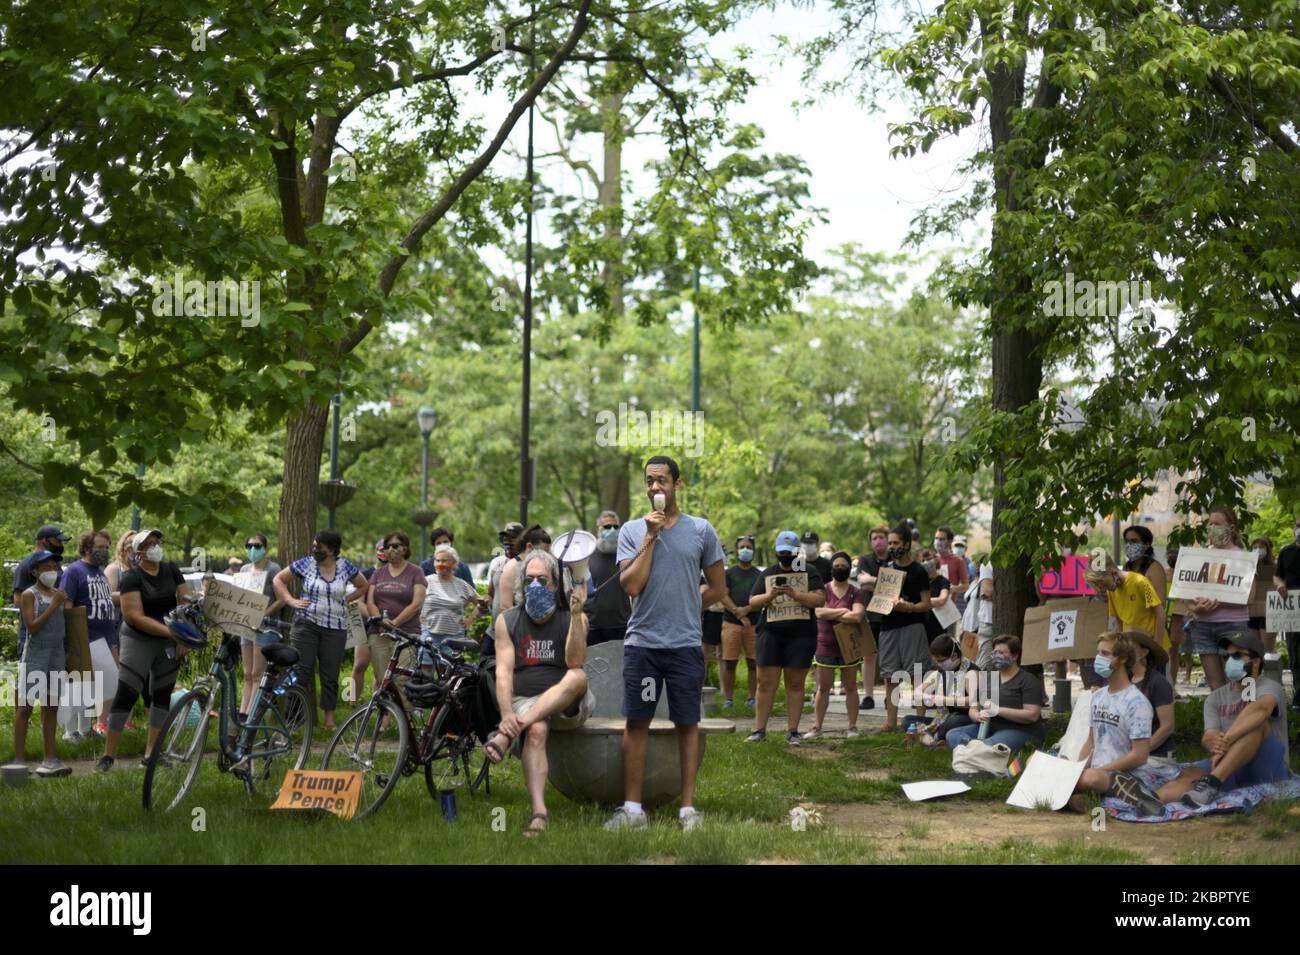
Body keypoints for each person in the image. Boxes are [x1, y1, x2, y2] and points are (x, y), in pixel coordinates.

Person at [604, 456, 725, 831]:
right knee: (637, 722)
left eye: (662, 481)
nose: (655, 488)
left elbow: (719, 588)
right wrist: (650, 538)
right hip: (643, 645)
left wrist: (688, 602)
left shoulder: (701, 530)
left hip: (686, 645)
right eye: (649, 482)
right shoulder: (631, 531)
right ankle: (633, 809)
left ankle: (688, 810)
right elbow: (632, 585)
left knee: (687, 723)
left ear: (677, 484)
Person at [484, 550, 594, 834]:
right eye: (530, 579)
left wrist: (577, 616)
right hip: (524, 701)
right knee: (535, 732)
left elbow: (574, 662)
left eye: (542, 580)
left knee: (578, 677)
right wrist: (507, 712)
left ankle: (508, 733)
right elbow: (504, 673)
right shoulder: (507, 620)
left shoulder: (572, 615)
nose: (535, 586)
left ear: (556, 584)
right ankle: (539, 813)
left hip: (566, 702)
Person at [1156, 632, 1290, 806]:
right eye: (1226, 656)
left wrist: (1225, 741)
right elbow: (1209, 735)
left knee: (1256, 725)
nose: (1229, 661)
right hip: (1230, 764)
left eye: (1236, 655)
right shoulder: (1215, 697)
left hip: (1267, 766)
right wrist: (1212, 742)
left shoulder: (1270, 687)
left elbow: (1261, 709)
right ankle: (1152, 798)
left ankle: (1213, 782)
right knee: (1189, 773)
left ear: (1256, 661)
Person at [96, 530, 190, 772]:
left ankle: (152, 753)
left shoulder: (172, 570)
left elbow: (184, 602)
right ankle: (108, 756)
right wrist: (172, 633)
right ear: (138, 552)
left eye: (158, 541)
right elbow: (134, 616)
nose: (156, 546)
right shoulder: (132, 577)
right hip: (139, 639)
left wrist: (184, 638)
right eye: (149, 543)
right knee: (126, 693)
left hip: (168, 641)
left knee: (161, 695)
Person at [273, 530, 368, 733]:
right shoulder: (306, 564)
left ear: (332, 550)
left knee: (330, 674)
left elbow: (363, 585)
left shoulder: (345, 567)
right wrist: (290, 600)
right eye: (314, 546)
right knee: (300, 672)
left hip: (335, 629)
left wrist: (345, 601)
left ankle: (329, 721)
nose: (315, 550)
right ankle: (293, 721)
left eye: (320, 547)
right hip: (307, 624)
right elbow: (278, 579)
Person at [1069, 632, 1164, 816]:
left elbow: (1139, 755)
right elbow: (1091, 742)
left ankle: (1084, 793)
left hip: (1124, 775)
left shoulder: (1137, 703)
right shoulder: (1097, 696)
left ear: (1122, 659)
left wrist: (1097, 770)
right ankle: (1084, 798)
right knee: (1036, 760)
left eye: (1105, 653)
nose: (1098, 658)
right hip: (1095, 771)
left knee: (1090, 778)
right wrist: (1076, 767)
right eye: (1098, 652)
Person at [745, 531, 826, 744]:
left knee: (796, 684)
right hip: (770, 634)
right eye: (781, 552)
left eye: (789, 552)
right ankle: (759, 730)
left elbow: (819, 599)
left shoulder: (809, 571)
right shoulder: (767, 574)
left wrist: (796, 594)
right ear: (775, 552)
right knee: (765, 683)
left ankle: (793, 731)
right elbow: (753, 601)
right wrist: (769, 596)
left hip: (801, 636)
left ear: (797, 552)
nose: (785, 556)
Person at [57, 530, 119, 741]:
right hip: (84, 636)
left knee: (91, 687)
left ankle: (85, 729)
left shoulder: (100, 573)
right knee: (76, 685)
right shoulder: (74, 571)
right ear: (86, 548)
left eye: (107, 547)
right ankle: (70, 731)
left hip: (104, 638)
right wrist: (71, 638)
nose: (104, 551)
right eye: (100, 547)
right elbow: (66, 604)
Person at [15, 549, 72, 776]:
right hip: (35, 655)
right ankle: (18, 761)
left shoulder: (59, 593)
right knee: (25, 707)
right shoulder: (30, 594)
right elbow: (33, 627)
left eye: (54, 567)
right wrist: (54, 604)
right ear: (35, 571)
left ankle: (50, 758)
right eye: (46, 567)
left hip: (56, 656)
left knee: (51, 707)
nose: (51, 571)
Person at [1184, 506, 1249, 691]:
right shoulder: (1199, 556)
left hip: (1232, 625)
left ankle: (1241, 719)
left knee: (1237, 681)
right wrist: (1194, 607)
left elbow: (1249, 596)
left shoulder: (1243, 558)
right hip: (1203, 626)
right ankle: (1221, 719)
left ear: (1231, 528)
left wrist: (1218, 601)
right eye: (1210, 523)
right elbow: (1185, 592)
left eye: (1217, 524)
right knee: (1215, 685)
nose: (1212, 527)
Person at [945, 634, 1044, 752]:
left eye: (1001, 653)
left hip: (1019, 730)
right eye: (994, 653)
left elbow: (1032, 715)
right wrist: (977, 716)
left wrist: (997, 710)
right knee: (953, 734)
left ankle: (972, 750)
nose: (996, 656)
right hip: (988, 728)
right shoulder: (989, 679)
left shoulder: (1027, 680)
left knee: (988, 745)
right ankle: (975, 750)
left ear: (1014, 656)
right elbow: (973, 709)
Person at [877, 523, 932, 732]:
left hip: (912, 627)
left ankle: (920, 722)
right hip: (888, 627)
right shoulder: (886, 569)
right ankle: (891, 722)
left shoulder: (919, 570)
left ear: (907, 544)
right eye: (890, 543)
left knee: (917, 674)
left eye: (896, 542)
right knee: (891, 676)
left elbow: (926, 604)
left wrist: (909, 607)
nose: (892, 546)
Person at [364, 531, 427, 701]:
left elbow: (417, 604)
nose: (391, 549)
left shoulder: (416, 572)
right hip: (379, 632)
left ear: (405, 548)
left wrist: (395, 623)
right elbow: (370, 601)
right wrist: (381, 621)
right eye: (387, 546)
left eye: (395, 545)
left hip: (407, 633)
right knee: (382, 678)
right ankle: (384, 722)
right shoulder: (378, 573)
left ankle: (405, 719)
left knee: (402, 678)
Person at [807, 550, 864, 739]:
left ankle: (852, 726)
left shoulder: (855, 592)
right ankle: (817, 727)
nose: (840, 568)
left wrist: (832, 612)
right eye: (837, 565)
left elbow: (857, 616)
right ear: (831, 568)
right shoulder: (823, 589)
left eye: (844, 566)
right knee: (823, 688)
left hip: (849, 646)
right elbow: (818, 613)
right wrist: (844, 611)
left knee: (851, 686)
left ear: (849, 568)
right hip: (825, 645)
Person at [236, 532, 284, 720]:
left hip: (265, 628)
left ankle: (251, 717)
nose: (253, 550)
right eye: (249, 546)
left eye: (257, 546)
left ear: (265, 548)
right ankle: (242, 714)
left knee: (258, 674)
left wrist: (265, 613)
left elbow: (281, 600)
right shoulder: (243, 570)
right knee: (247, 674)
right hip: (246, 627)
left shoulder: (273, 569)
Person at [1084, 555, 1165, 658]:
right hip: (1132, 648)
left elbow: (1160, 613)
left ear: (1112, 572)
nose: (1102, 588)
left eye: (1103, 584)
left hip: (1151, 644)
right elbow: (1119, 621)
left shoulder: (1139, 581)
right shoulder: (1111, 592)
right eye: (1099, 586)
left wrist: (1156, 646)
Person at [12, 525, 72, 664]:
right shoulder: (26, 565)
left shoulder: (56, 565)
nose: (61, 545)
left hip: (55, 639)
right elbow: (18, 600)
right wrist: (46, 602)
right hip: (33, 640)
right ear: (43, 541)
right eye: (58, 541)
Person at [719, 535, 760, 709]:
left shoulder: (759, 574)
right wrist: (739, 613)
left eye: (748, 547)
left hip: (754, 623)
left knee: (753, 662)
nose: (745, 550)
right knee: (730, 662)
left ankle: (752, 698)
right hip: (731, 622)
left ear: (753, 550)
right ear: (736, 551)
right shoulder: (729, 573)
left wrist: (747, 610)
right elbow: (723, 595)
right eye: (742, 547)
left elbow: (761, 598)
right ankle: (729, 699)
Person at [853, 524, 892, 711]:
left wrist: (873, 581)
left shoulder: (894, 559)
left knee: (888, 657)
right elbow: (863, 584)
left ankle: (889, 696)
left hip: (891, 614)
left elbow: (896, 586)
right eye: (874, 538)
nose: (878, 541)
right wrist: (884, 583)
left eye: (881, 537)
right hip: (870, 615)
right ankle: (868, 696)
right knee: (868, 656)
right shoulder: (865, 560)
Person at [916, 634, 979, 747]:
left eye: (941, 660)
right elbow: (917, 691)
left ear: (954, 656)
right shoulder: (941, 671)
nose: (939, 664)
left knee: (952, 722)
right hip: (944, 717)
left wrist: (945, 700)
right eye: (936, 661)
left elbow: (973, 701)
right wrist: (929, 697)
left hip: (966, 717)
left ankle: (930, 737)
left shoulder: (971, 672)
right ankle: (934, 739)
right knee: (907, 720)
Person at [420, 542, 480, 659]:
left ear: (453, 564)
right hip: (429, 634)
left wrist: (470, 620)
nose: (440, 564)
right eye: (437, 561)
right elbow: (413, 601)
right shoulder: (426, 581)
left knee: (448, 673)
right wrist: (417, 617)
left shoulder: (462, 585)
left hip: (454, 638)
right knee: (425, 671)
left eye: (444, 561)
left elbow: (481, 604)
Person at [1123, 524, 1170, 670]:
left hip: (1150, 634)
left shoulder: (1154, 568)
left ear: (1147, 544)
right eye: (1127, 541)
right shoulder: (1126, 568)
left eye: (1134, 541)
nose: (1130, 545)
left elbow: (1160, 608)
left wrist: (1156, 643)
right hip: (1130, 634)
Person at [1127, 630, 1175, 762]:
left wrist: (1139, 751)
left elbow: (1167, 726)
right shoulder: (1125, 681)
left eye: (1129, 646)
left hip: (1156, 756)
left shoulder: (1157, 682)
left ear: (1144, 652)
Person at [586, 511, 631, 646]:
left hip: (622, 625)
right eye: (606, 527)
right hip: (593, 626)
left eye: (615, 527)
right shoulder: (587, 555)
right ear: (598, 529)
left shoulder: (627, 553)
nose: (611, 530)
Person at [1274, 517, 1300, 708]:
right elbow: (1277, 576)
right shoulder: (1286, 552)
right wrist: (1280, 585)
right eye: (1298, 525)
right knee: (1295, 654)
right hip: (1292, 612)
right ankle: (1298, 697)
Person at [498, 526, 551, 613]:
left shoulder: (534, 565)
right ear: (529, 546)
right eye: (543, 551)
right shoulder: (512, 567)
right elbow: (506, 606)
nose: (545, 556)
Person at [487, 521, 524, 624]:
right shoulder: (497, 563)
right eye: (505, 539)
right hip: (494, 629)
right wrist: (486, 602)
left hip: (516, 627)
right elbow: (490, 593)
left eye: (512, 539)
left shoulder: (528, 564)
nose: (508, 543)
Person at [1247, 536, 1275, 652]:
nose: (1258, 549)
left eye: (1261, 547)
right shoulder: (1246, 568)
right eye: (1255, 547)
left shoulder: (1275, 568)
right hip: (1252, 612)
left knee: (1267, 649)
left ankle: (1270, 670)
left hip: (1269, 612)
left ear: (1267, 550)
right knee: (1255, 650)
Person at [932, 527, 969, 604]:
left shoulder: (958, 561)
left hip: (949, 607)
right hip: (931, 606)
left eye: (941, 539)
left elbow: (966, 586)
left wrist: (953, 588)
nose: (938, 541)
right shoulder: (931, 559)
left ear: (950, 541)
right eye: (936, 538)